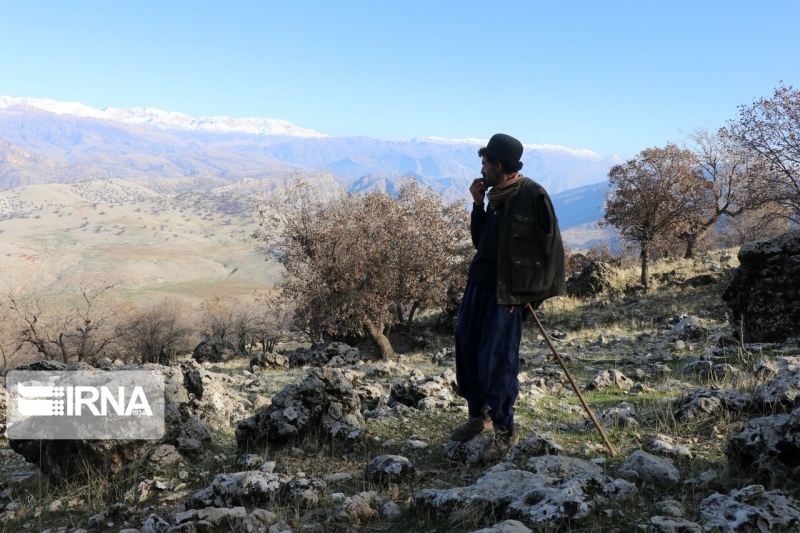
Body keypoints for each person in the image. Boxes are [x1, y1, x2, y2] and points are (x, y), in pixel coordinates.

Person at [452, 133, 566, 462]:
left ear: (499, 166)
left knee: (497, 360)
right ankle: (479, 416)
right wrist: (477, 205)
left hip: (506, 295)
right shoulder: (494, 197)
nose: (482, 170)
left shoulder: (532, 195)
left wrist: (528, 295)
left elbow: (551, 253)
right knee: (467, 349)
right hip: (478, 286)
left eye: (485, 164)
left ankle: (504, 428)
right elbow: (483, 243)